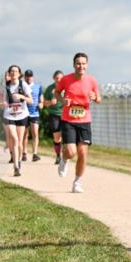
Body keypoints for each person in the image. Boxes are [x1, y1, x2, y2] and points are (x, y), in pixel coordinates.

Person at [56, 53, 101, 193]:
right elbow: (57, 93)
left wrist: (95, 97)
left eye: (83, 63)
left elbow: (99, 99)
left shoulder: (92, 80)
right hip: (68, 120)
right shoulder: (66, 79)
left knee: (83, 153)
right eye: (78, 63)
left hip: (84, 120)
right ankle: (64, 159)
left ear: (87, 65)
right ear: (74, 65)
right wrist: (63, 100)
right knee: (71, 152)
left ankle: (77, 182)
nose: (81, 66)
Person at [0, 65, 31, 177]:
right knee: (14, 139)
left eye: (16, 71)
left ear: (19, 74)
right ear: (9, 73)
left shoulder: (23, 85)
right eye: (12, 71)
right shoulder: (4, 86)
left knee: (19, 143)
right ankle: (16, 167)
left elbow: (30, 100)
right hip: (9, 116)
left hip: (22, 115)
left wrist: (22, 96)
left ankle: (19, 160)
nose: (14, 73)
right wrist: (1, 103)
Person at [42, 70, 65, 165]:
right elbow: (44, 103)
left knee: (67, 136)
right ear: (53, 78)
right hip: (53, 114)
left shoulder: (66, 88)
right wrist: (50, 102)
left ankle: (65, 155)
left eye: (61, 78)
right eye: (57, 78)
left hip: (65, 114)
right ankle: (58, 156)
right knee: (57, 137)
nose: (59, 80)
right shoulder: (50, 88)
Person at [23, 69, 43, 162]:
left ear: (33, 77)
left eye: (30, 76)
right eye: (27, 76)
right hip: (24, 113)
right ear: (24, 77)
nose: (28, 78)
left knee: (35, 133)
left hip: (34, 113)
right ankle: (24, 153)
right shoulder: (22, 86)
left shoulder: (38, 87)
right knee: (24, 134)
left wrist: (41, 104)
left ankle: (35, 153)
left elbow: (41, 100)